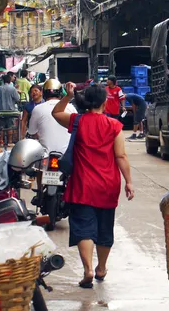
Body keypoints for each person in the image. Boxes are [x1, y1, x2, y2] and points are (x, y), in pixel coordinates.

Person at [52, 83, 135, 289]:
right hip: (108, 184)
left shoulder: (77, 121)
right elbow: (121, 156)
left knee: (83, 228)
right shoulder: (114, 125)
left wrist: (68, 96)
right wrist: (129, 182)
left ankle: (88, 269)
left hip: (82, 184)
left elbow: (56, 112)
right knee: (104, 228)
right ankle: (101, 268)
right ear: (105, 102)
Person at [27, 79, 76, 154]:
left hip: (45, 155)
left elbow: (32, 131)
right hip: (66, 154)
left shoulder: (37, 109)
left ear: (44, 93)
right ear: (60, 93)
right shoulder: (71, 107)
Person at [0, 74, 20, 147]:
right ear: (10, 80)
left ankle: (1, 142)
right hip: (10, 111)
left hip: (0, 111)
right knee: (10, 126)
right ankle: (10, 142)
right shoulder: (12, 89)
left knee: (1, 128)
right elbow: (17, 98)